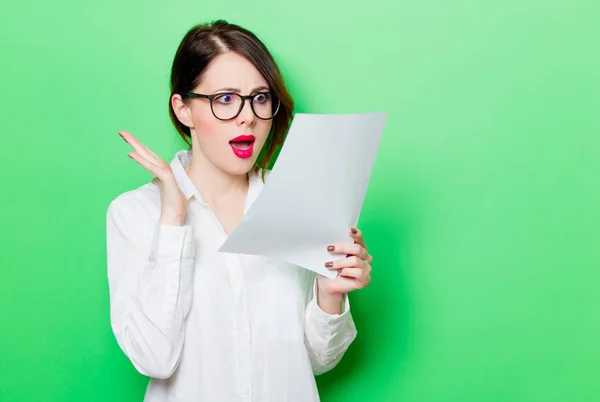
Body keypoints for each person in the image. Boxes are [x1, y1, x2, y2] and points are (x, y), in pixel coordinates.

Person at [106, 20, 373, 402]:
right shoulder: (134, 213)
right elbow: (154, 359)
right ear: (183, 109)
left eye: (260, 98)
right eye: (226, 99)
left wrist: (328, 292)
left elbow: (317, 361)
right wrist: (173, 220)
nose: (247, 116)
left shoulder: (301, 203)